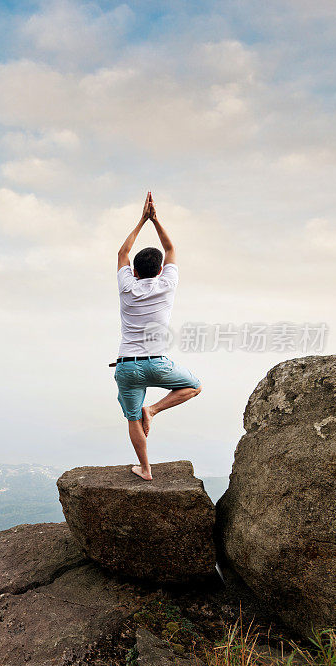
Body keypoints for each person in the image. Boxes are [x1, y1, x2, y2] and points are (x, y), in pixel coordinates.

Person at [114, 192, 202, 481]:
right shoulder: (167, 284)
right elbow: (171, 247)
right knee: (194, 387)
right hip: (157, 363)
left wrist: (141, 221)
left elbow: (122, 254)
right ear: (161, 269)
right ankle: (152, 410)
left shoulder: (127, 286)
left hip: (127, 366)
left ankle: (146, 469)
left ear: (135, 272)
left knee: (131, 418)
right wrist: (156, 220)